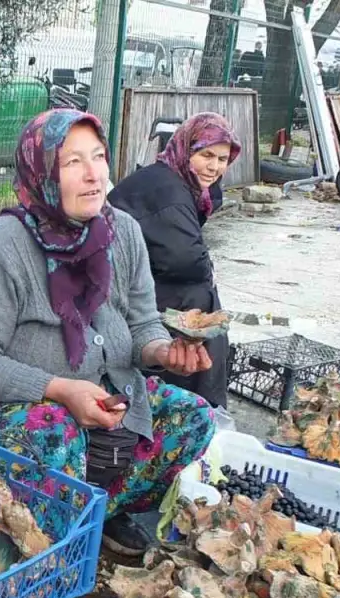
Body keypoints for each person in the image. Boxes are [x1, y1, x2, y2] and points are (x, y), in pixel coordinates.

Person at [0, 109, 217, 598]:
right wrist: (59, 388)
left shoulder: (121, 232)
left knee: (192, 416)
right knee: (57, 431)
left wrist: (163, 354)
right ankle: (25, 593)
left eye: (98, 158)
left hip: (98, 388)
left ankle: (101, 511)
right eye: (72, 161)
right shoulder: (2, 245)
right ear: (41, 172)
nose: (93, 175)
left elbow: (145, 322)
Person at [108, 113, 240, 412]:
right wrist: (209, 268)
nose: (214, 167)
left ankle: (193, 402)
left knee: (204, 306)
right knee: (198, 305)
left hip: (139, 274)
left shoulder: (176, 178)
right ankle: (189, 406)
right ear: (185, 149)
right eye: (206, 155)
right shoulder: (170, 192)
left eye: (222, 159)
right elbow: (183, 259)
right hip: (119, 285)